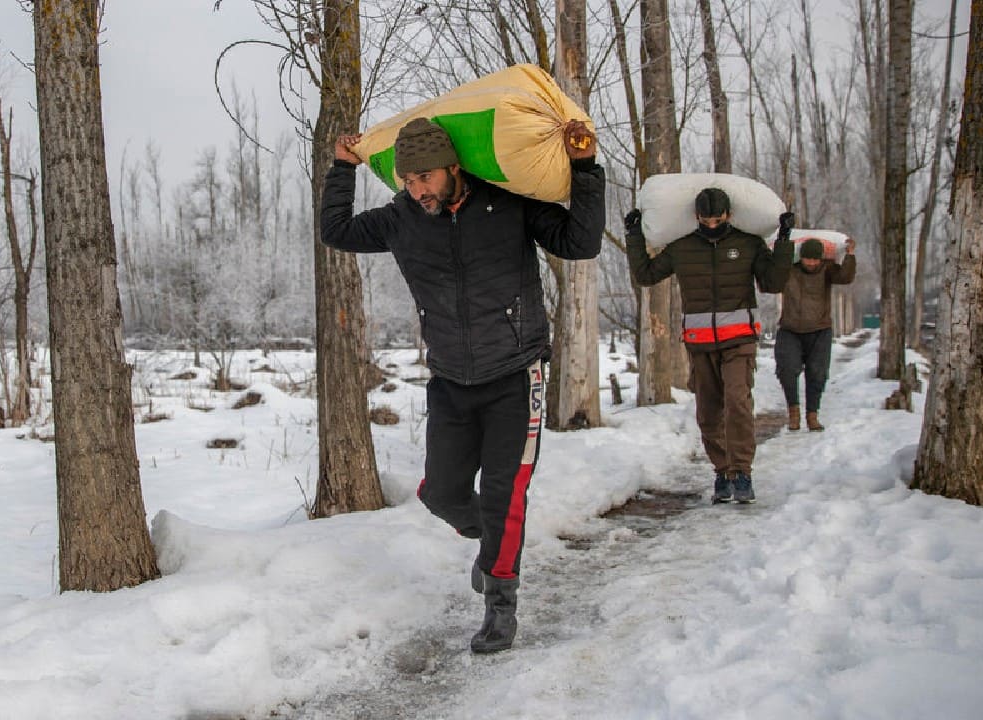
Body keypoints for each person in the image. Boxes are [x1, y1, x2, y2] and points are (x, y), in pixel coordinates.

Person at [320, 117, 604, 653]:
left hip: (516, 375)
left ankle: (501, 601)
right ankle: (492, 546)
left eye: (425, 177)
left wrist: (585, 168)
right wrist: (343, 167)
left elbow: (579, 241)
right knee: (442, 493)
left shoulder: (508, 204)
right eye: (407, 180)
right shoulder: (401, 219)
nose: (417, 189)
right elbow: (334, 231)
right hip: (450, 379)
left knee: (504, 494)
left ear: (453, 168)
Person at [624, 189, 793, 504]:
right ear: (696, 217)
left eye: (718, 219)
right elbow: (646, 275)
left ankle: (742, 473)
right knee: (708, 412)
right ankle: (722, 471)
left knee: (738, 403)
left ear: (729, 215)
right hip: (700, 343)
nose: (712, 224)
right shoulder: (682, 247)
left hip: (740, 339)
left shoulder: (747, 244)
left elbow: (773, 282)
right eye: (706, 219)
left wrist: (784, 240)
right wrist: (634, 235)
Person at [775, 236, 857, 432]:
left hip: (820, 329)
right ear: (800, 257)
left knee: (817, 374)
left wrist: (850, 255)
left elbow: (845, 277)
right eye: (807, 259)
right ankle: (793, 412)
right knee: (787, 369)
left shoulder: (828, 269)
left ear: (821, 259)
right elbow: (770, 281)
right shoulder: (789, 270)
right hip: (790, 329)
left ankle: (812, 414)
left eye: (815, 259)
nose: (811, 263)